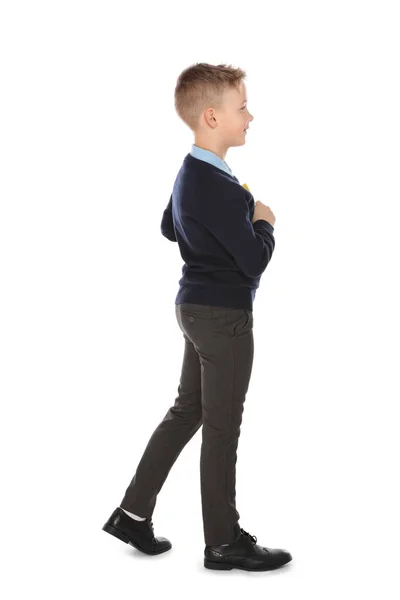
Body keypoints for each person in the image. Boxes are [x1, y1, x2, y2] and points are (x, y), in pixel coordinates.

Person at [102, 62, 292, 572]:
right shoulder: (220, 187)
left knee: (189, 410)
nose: (250, 116)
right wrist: (263, 221)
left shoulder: (193, 172)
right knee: (221, 426)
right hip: (223, 315)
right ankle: (224, 541)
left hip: (193, 308)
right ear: (212, 116)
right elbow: (252, 261)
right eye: (242, 106)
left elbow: (170, 226)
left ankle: (132, 513)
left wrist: (233, 212)